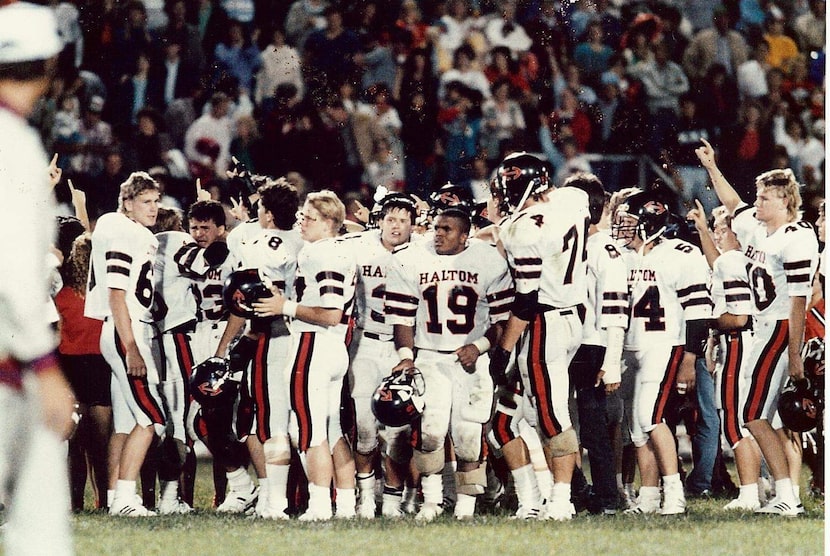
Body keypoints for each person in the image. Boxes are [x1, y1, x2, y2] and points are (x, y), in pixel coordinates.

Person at [695, 138, 819, 515]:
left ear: (785, 201)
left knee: (753, 415)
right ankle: (786, 493)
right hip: (764, 329)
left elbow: (799, 301)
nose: (758, 202)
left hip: (780, 328)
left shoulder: (797, 239)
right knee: (759, 415)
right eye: (759, 195)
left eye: (766, 197)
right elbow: (734, 205)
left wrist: (794, 355)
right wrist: (713, 168)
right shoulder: (756, 226)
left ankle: (787, 496)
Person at [0, 3, 75, 553]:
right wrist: (45, 365)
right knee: (40, 524)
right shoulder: (15, 145)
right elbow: (13, 269)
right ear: (49, 62)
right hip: (12, 360)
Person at [385, 207, 513, 521]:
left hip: (471, 359)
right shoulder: (412, 258)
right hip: (429, 355)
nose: (438, 234)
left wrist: (480, 345)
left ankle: (465, 508)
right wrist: (405, 357)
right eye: (436, 227)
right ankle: (431, 502)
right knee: (429, 432)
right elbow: (402, 318)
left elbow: (503, 320)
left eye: (447, 229)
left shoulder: (489, 261)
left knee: (468, 435)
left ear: (465, 235)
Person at [488, 152, 591, 521]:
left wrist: (503, 349)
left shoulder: (523, 230)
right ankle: (536, 499)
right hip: (572, 315)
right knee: (512, 420)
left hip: (543, 322)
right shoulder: (572, 200)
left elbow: (526, 301)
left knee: (550, 416)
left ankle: (562, 500)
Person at [252, 190, 357, 521]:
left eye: (308, 218)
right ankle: (348, 505)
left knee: (311, 431)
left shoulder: (320, 255)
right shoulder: (333, 249)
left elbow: (330, 313)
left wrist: (285, 306)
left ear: (327, 224)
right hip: (333, 348)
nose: (301, 223)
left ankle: (320, 506)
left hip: (314, 344)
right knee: (333, 430)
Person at [610, 186, 713, 515]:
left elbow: (698, 312)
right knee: (637, 429)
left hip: (664, 345)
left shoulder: (681, 253)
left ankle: (675, 492)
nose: (622, 227)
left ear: (648, 221)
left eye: (629, 220)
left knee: (649, 418)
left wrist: (690, 358)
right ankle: (650, 496)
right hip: (630, 346)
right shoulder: (622, 254)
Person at [215, 177, 304, 520]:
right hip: (307, 339)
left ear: (266, 214)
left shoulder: (255, 245)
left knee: (270, 425)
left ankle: (275, 504)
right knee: (302, 424)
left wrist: (226, 346)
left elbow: (245, 303)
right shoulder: (307, 242)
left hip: (271, 337)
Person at [85, 171, 165, 517]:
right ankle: (125, 500)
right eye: (146, 201)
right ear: (127, 203)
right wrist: (131, 346)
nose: (154, 207)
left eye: (156, 200)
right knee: (152, 418)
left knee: (125, 422)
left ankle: (117, 493)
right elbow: (116, 294)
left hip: (126, 328)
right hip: (125, 330)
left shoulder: (134, 232)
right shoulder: (121, 230)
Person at [340, 193, 418, 518]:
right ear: (379, 220)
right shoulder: (359, 245)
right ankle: (365, 497)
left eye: (402, 220)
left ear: (414, 225)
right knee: (364, 426)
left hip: (403, 347)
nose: (395, 226)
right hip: (365, 342)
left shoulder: (422, 252)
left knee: (399, 430)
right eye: (390, 219)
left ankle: (392, 499)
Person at [688, 203, 764, 510]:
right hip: (745, 341)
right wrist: (704, 232)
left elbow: (737, 318)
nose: (717, 235)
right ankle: (763, 488)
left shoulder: (733, 261)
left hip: (738, 342)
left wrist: (705, 322)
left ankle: (749, 494)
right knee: (748, 421)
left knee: (735, 422)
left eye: (722, 229)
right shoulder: (736, 259)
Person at [566, 173, 628, 515]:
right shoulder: (573, 241)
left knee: (593, 428)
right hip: (567, 342)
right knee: (556, 420)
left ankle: (605, 497)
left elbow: (615, 308)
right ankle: (577, 490)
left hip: (591, 345)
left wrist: (613, 358)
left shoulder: (604, 247)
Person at [150, 206, 198, 514]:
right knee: (178, 423)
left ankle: (147, 497)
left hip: (149, 338)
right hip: (175, 335)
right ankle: (170, 498)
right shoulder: (179, 241)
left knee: (155, 422)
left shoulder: (143, 246)